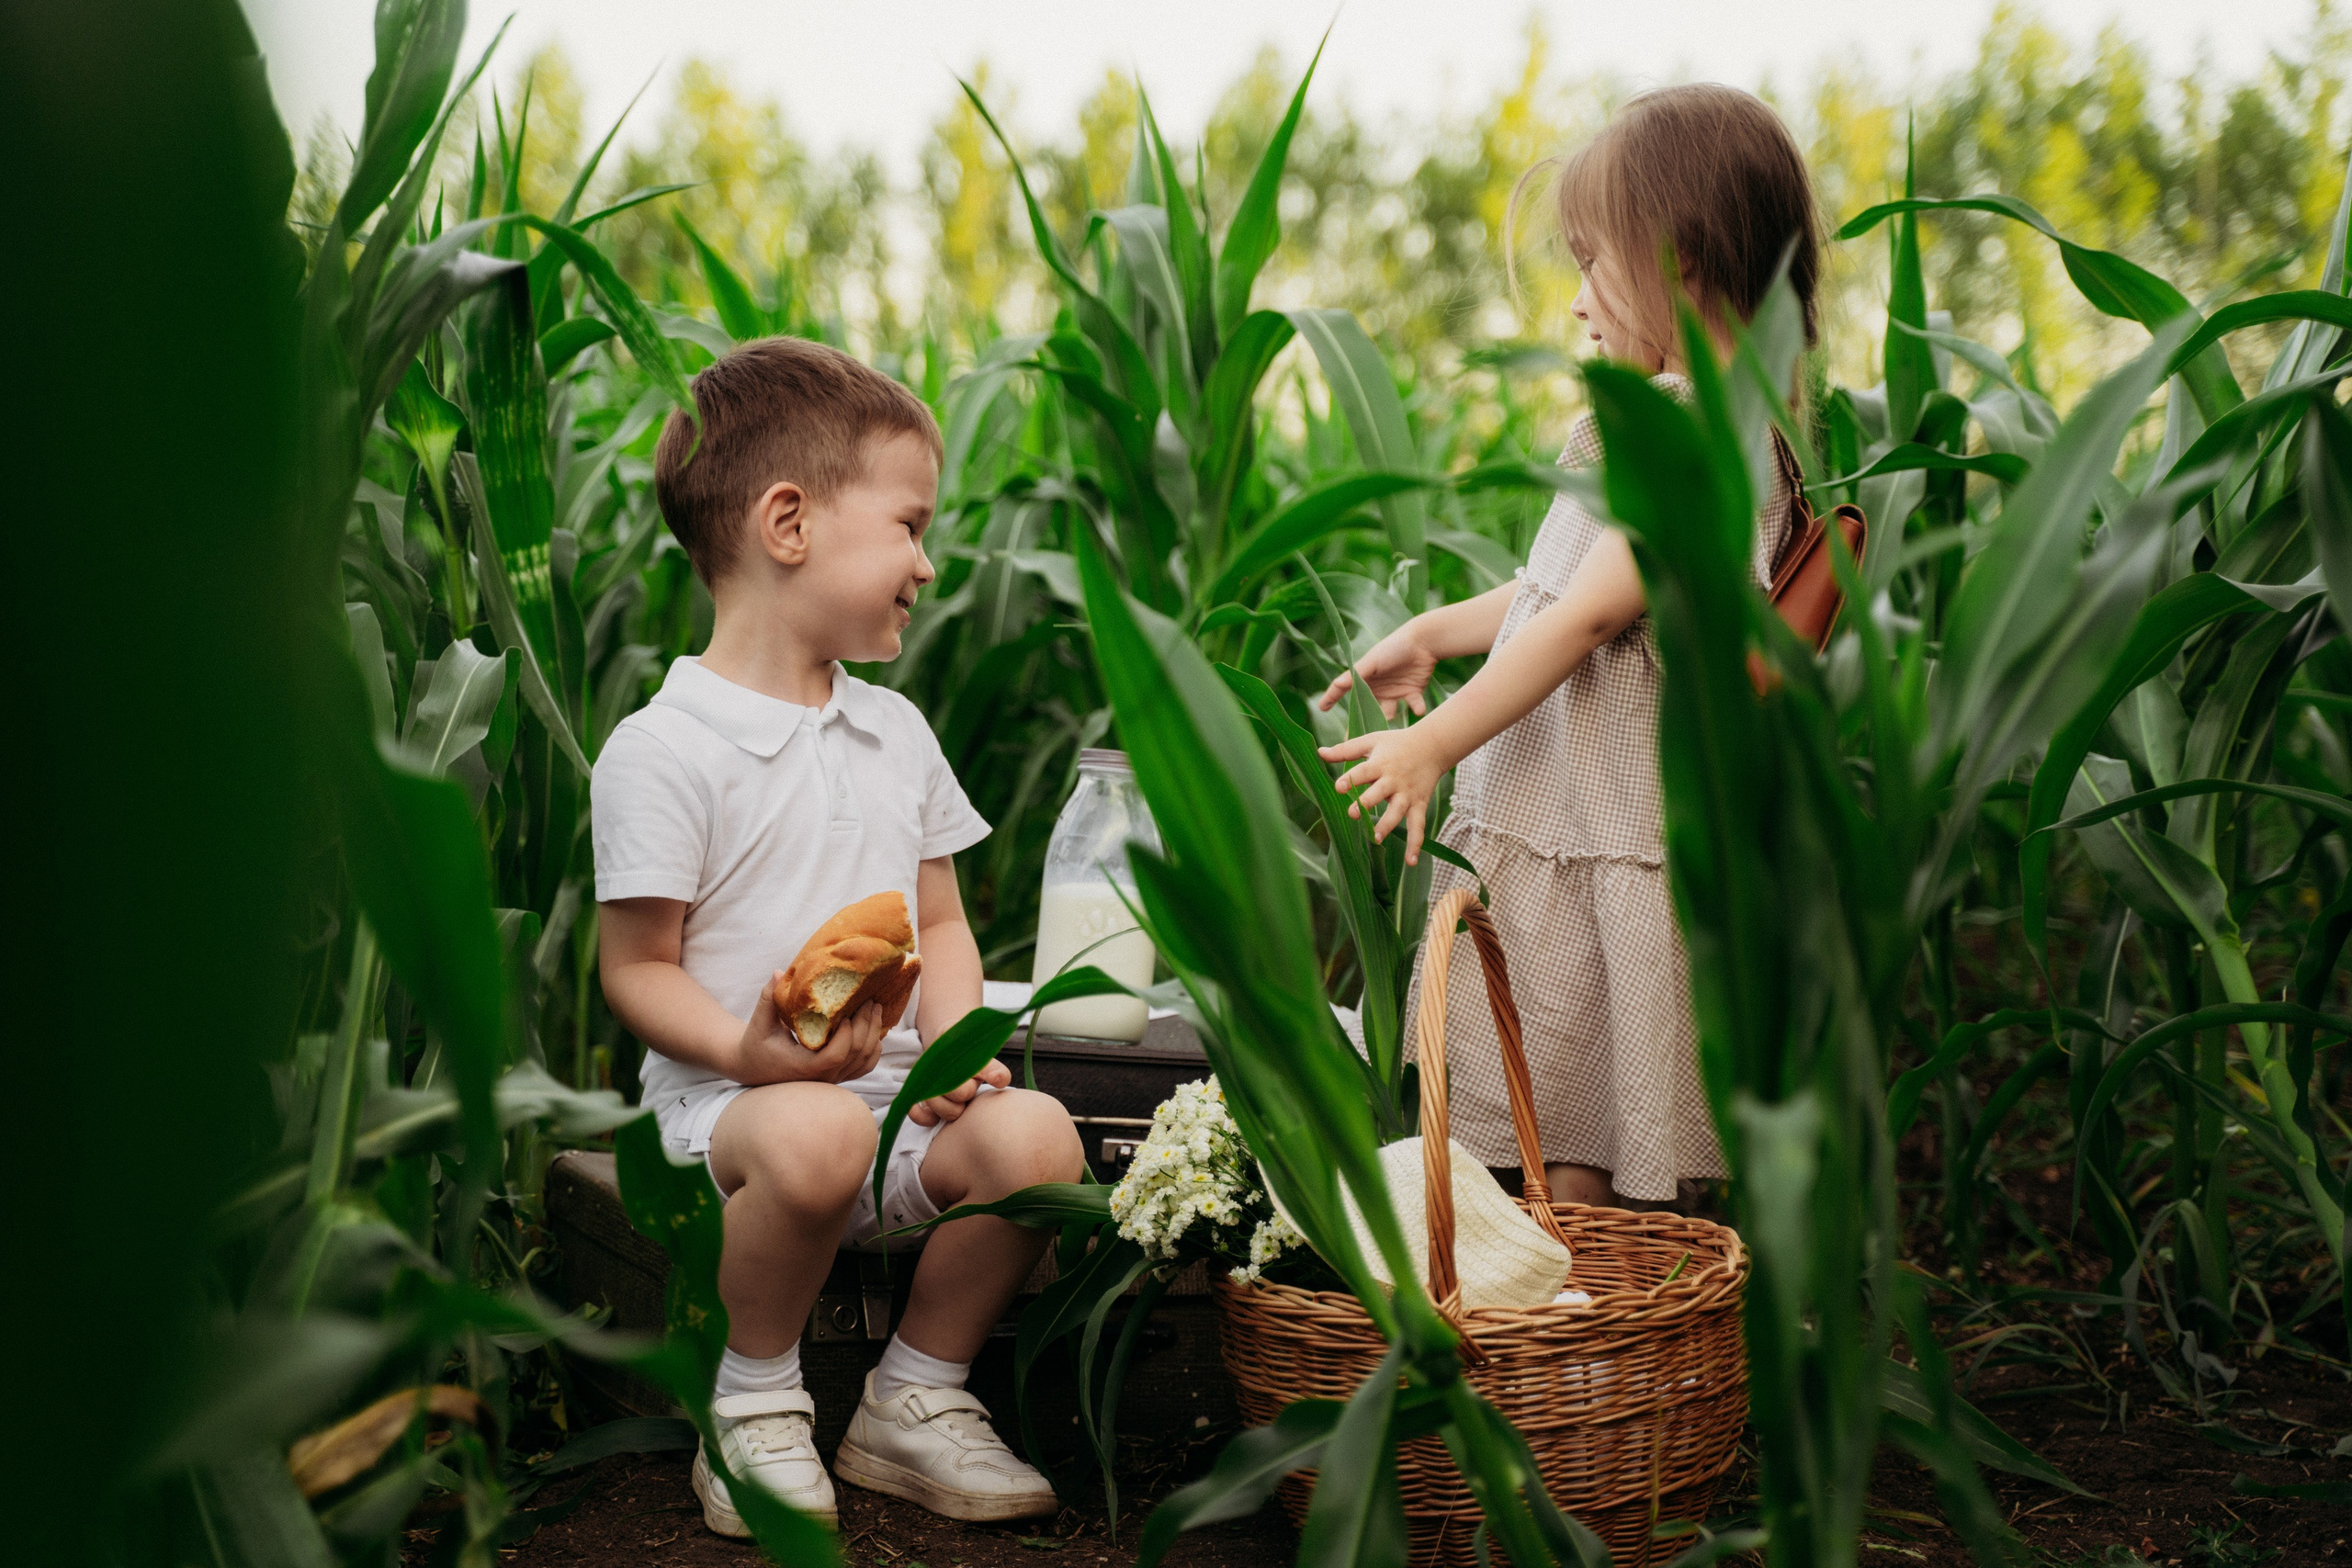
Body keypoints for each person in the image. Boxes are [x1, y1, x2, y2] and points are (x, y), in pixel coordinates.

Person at [593, 336, 1083, 1534]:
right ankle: (753, 1398)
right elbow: (636, 968)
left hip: (897, 1111)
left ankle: (914, 1393)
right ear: (788, 522)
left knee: (1040, 1136)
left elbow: (949, 919)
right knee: (811, 1129)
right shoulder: (664, 748)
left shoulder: (898, 730)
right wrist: (748, 1050)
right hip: (730, 1118)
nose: (927, 561)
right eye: (910, 524)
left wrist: (955, 1043)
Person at [1316, 84, 1822, 1211]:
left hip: (1592, 827)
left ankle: (1567, 1349)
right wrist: (1435, 634)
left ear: (1678, 262)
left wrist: (1432, 743)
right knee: (1572, 1114)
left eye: (1593, 260)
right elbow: (1568, 587)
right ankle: (1580, 1345)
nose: (1578, 293)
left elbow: (1592, 616)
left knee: (1564, 1126)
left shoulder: (1691, 425)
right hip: (1579, 824)